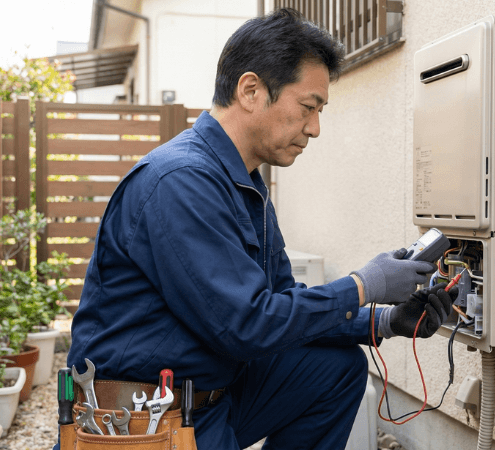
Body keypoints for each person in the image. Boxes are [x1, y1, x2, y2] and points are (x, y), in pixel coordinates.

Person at [66, 8, 456, 450]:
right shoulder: (178, 182)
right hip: (143, 422)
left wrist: (384, 321)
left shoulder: (242, 183)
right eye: (308, 107)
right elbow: (247, 325)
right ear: (251, 90)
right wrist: (363, 286)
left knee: (335, 369)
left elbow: (285, 308)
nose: (315, 128)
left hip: (207, 400)